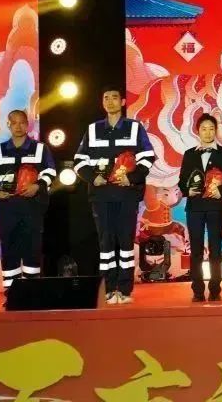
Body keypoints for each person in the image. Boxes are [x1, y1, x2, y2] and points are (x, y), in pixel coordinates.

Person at [73, 87, 155, 305]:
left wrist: (132, 178)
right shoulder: (93, 130)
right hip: (101, 196)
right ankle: (109, 289)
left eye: (114, 98)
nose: (110, 101)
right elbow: (79, 161)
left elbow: (148, 157)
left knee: (126, 242)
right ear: (102, 102)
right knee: (106, 243)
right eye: (106, 98)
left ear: (123, 102)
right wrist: (93, 178)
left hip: (127, 195)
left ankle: (125, 289)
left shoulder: (134, 128)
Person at [0, 110, 56, 298]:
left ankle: (33, 293)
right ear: (8, 125)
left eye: (22, 122)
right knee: (9, 250)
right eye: (14, 123)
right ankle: (11, 294)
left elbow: (50, 172)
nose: (18, 126)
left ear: (27, 124)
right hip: (7, 209)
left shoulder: (40, 149)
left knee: (32, 249)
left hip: (33, 208)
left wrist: (38, 186)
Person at [177, 113, 222, 302]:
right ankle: (197, 290)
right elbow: (182, 180)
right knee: (195, 250)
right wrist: (187, 191)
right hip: (194, 207)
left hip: (215, 207)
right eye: (204, 129)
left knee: (215, 249)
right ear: (198, 131)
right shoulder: (190, 154)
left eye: (211, 128)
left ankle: (215, 289)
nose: (208, 132)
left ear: (216, 131)